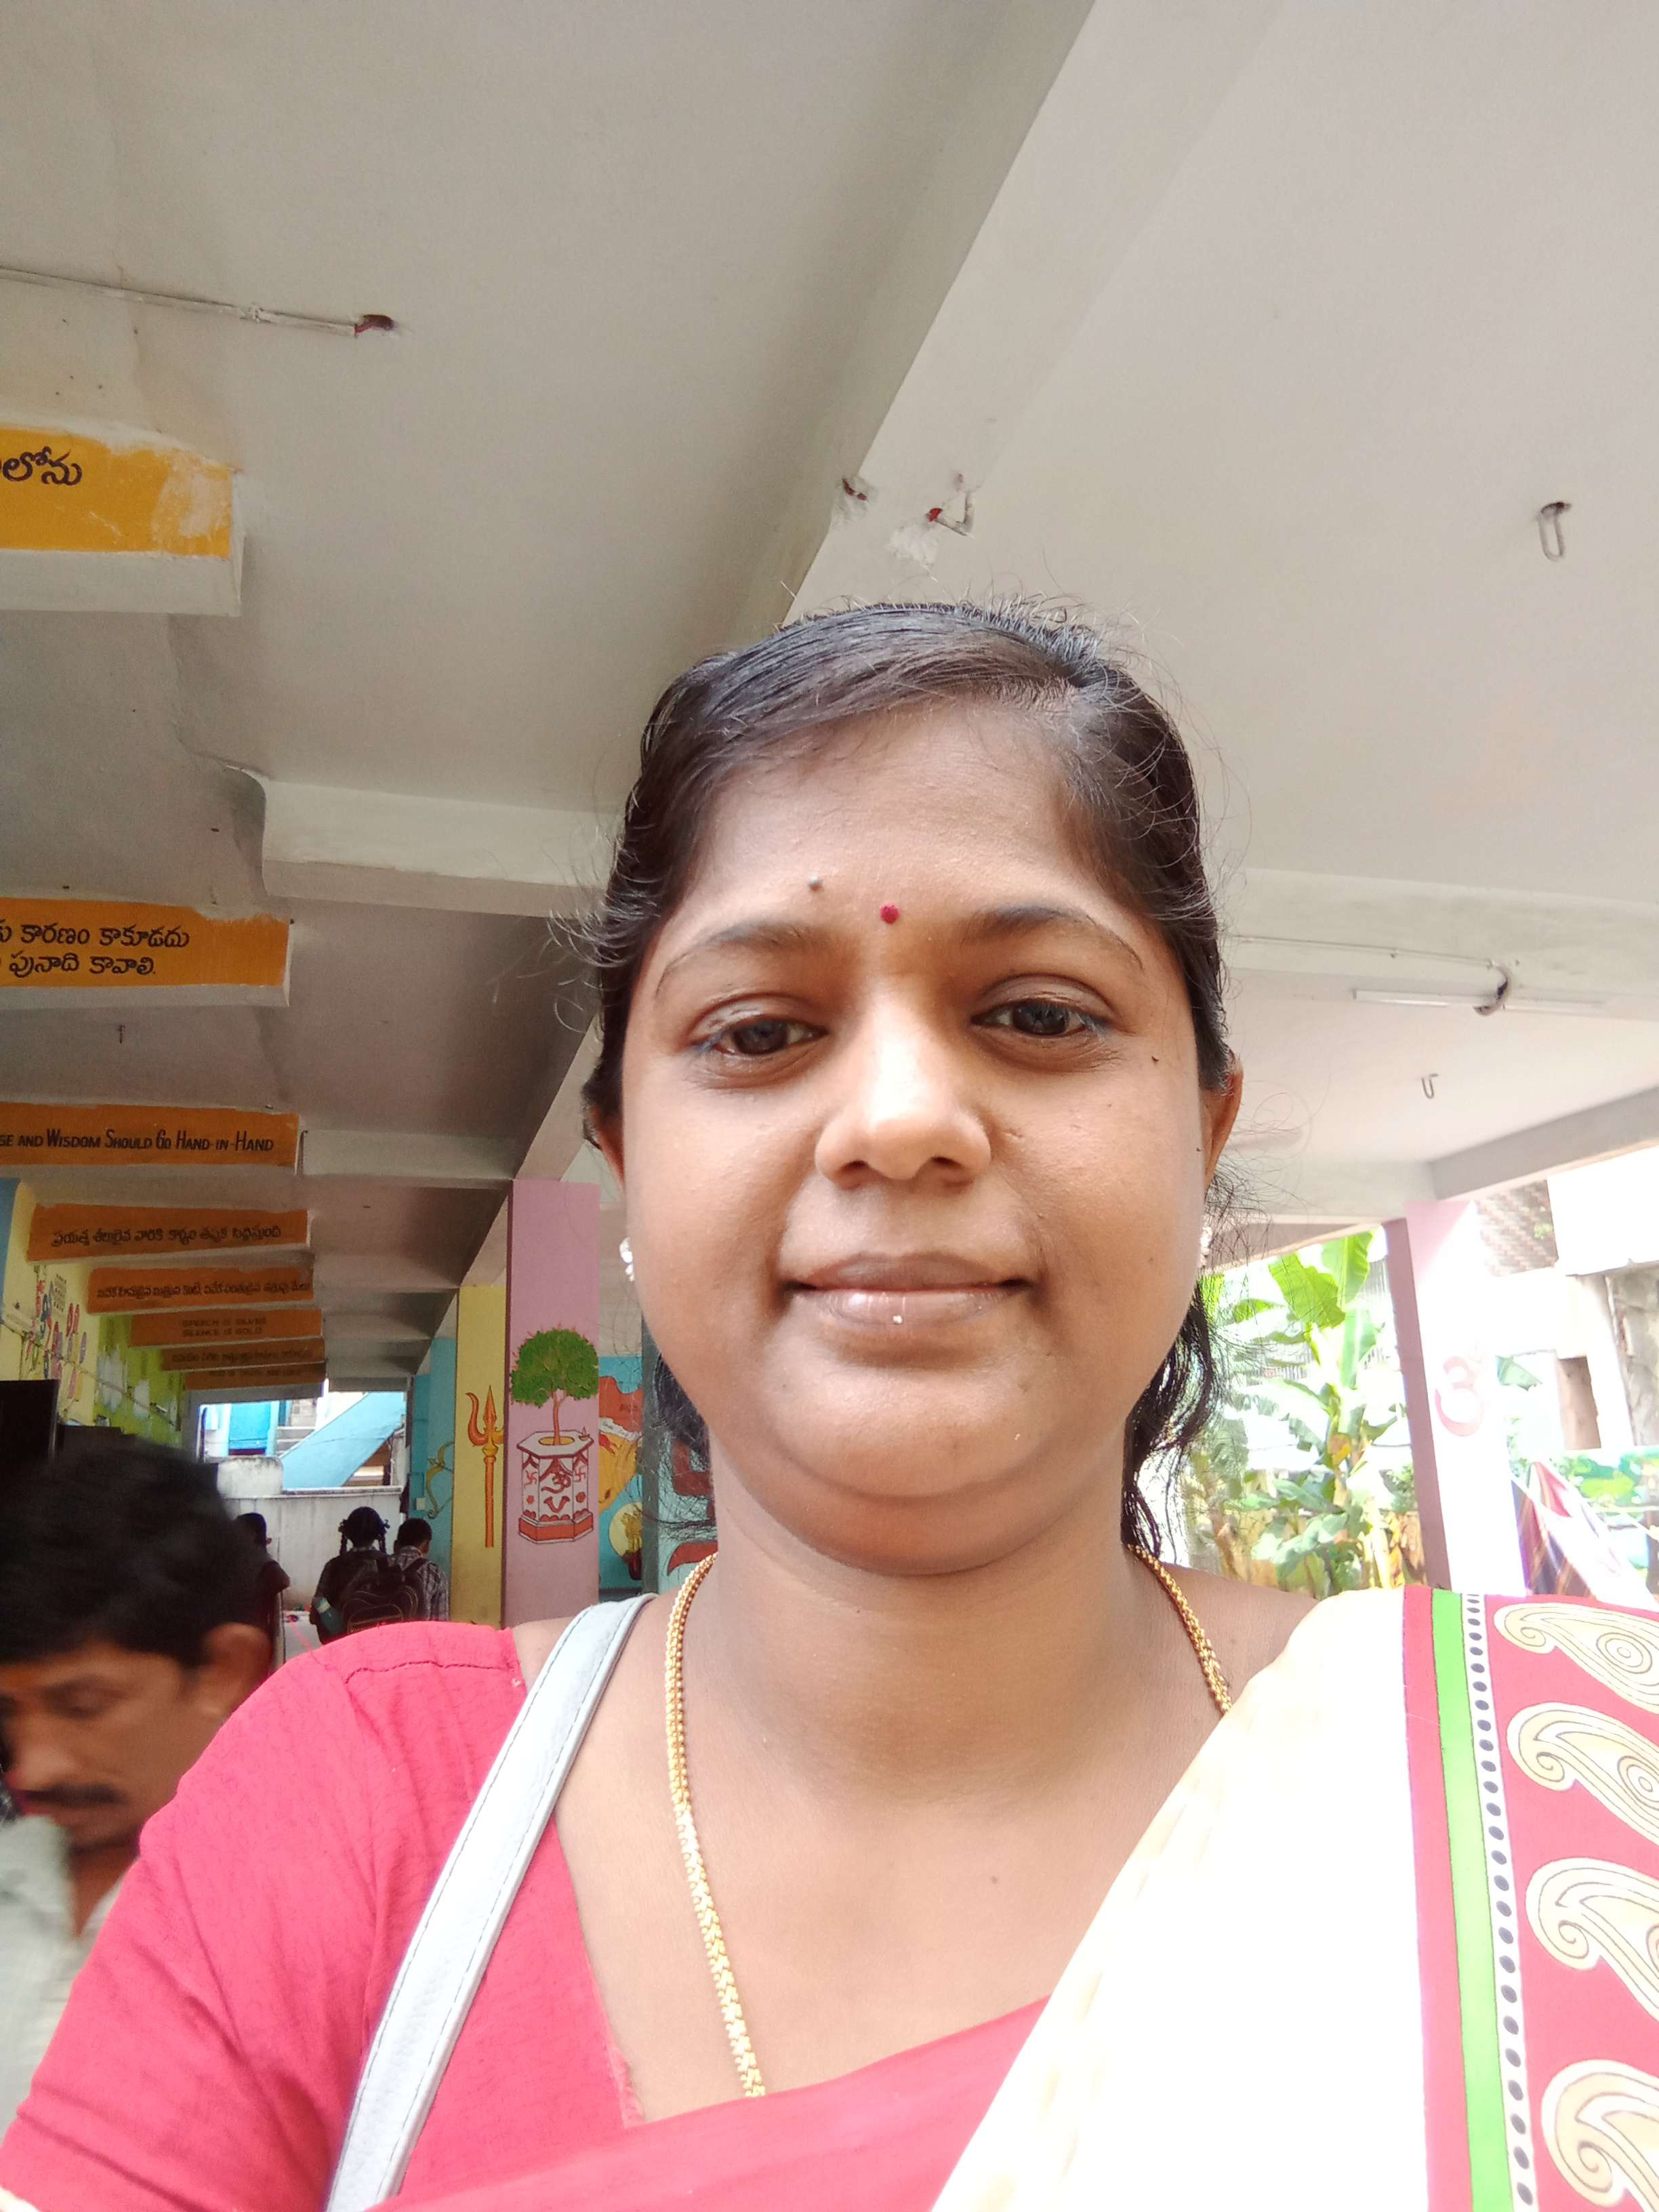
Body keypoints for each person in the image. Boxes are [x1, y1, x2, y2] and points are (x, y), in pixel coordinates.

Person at [3, 602, 1655, 2212]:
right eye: (760, 1031)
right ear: (624, 1153)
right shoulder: (354, 1803)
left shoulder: (1569, 1782)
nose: (899, 1120)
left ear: (1201, 1134)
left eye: (1037, 1014)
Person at [0, 1431, 268, 2138]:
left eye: (84, 1705)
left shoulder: (301, 1933)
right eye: (10, 1712)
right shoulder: (10, 1872)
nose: (34, 1769)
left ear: (224, 1672)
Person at [308, 1507, 406, 1641]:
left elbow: (315, 1614)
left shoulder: (333, 1566)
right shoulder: (391, 1564)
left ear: (347, 1533)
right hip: (382, 1641)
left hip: (343, 1643)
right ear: (379, 1534)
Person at [235, 1512, 292, 1672]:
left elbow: (282, 1580)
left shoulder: (263, 1563)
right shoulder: (243, 1562)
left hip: (253, 1636)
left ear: (252, 1535)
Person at [393, 1517, 449, 1622]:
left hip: (380, 1631)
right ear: (427, 1546)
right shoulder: (436, 1574)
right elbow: (440, 1623)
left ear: (396, 1544)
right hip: (416, 1632)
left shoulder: (376, 1566)